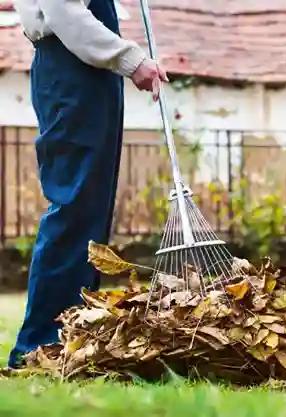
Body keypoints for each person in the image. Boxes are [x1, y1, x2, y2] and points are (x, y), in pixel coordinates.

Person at [7, 0, 167, 369]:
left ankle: (74, 337)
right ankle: (40, 345)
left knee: (91, 211)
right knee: (75, 206)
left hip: (85, 72)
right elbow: (64, 11)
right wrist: (132, 59)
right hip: (71, 68)